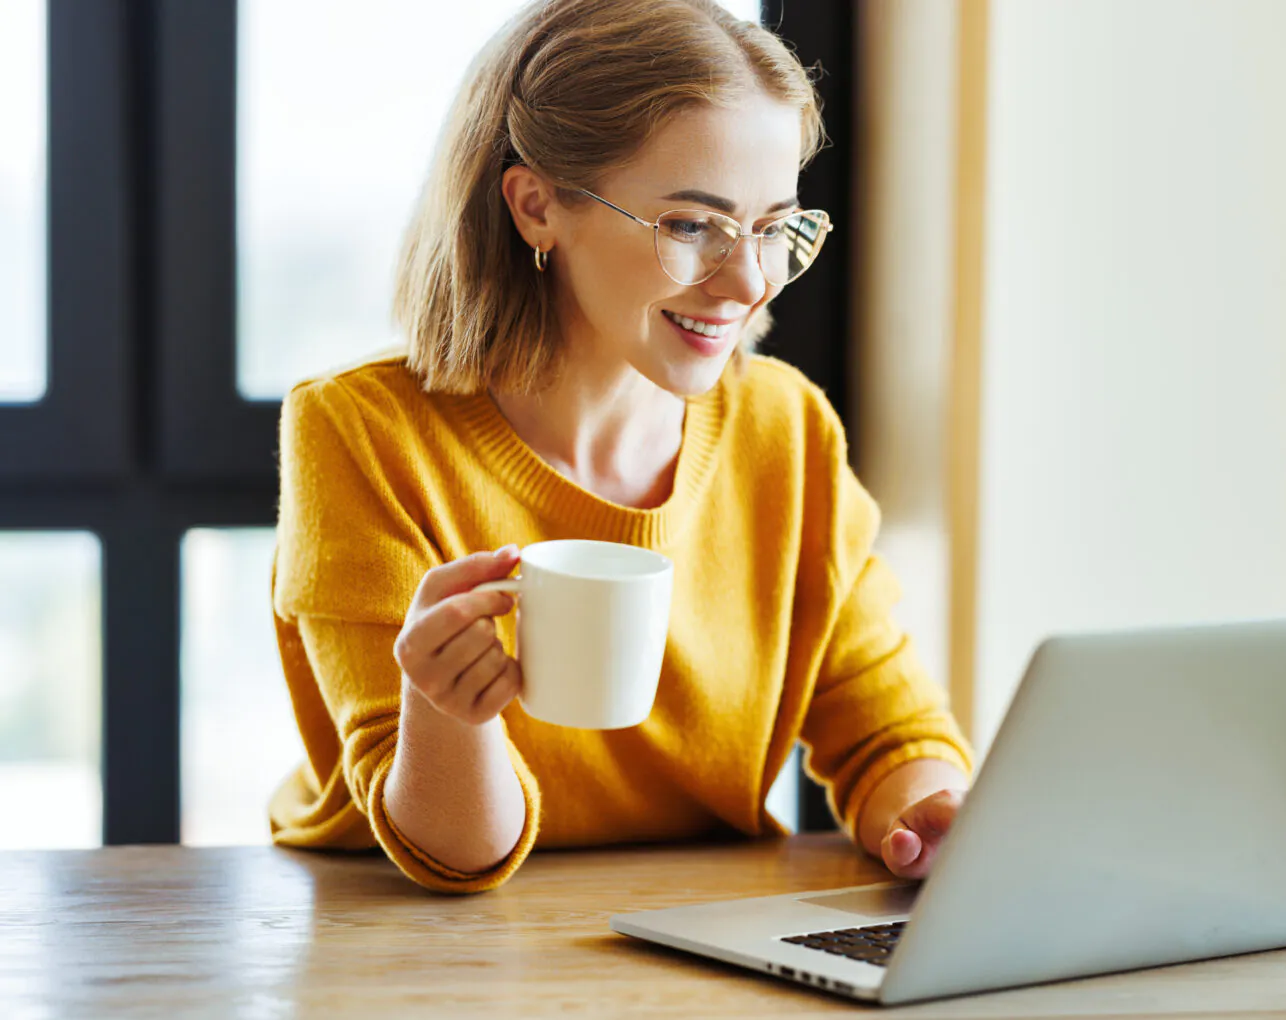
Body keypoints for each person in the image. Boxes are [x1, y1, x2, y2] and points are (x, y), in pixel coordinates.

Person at [269, 0, 972, 894]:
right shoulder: (362, 432)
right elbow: (450, 852)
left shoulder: (784, 430)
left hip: (698, 935)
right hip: (414, 941)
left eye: (773, 229)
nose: (748, 283)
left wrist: (935, 816)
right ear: (535, 207)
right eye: (690, 226)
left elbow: (887, 734)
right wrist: (448, 714)